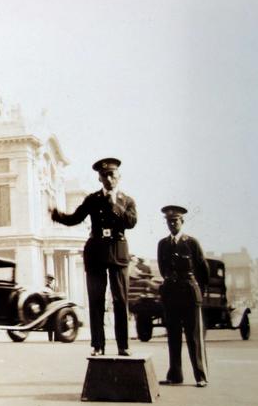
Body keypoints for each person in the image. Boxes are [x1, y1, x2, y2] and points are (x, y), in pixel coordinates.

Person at [51, 157, 137, 356]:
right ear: (99, 178)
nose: (108, 179)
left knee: (120, 300)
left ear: (119, 176)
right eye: (104, 175)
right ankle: (98, 345)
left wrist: (115, 205)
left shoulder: (127, 201)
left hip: (118, 253)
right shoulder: (92, 199)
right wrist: (57, 215)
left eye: (112, 175)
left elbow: (131, 222)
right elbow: (75, 218)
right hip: (96, 253)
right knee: (96, 300)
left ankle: (123, 346)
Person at [157, 205, 210, 388]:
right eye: (169, 221)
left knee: (194, 337)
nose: (172, 224)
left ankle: (200, 375)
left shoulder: (191, 243)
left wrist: (198, 293)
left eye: (175, 221)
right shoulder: (163, 244)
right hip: (171, 295)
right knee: (173, 336)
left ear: (182, 221)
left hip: (189, 295)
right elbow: (163, 269)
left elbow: (203, 270)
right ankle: (175, 375)